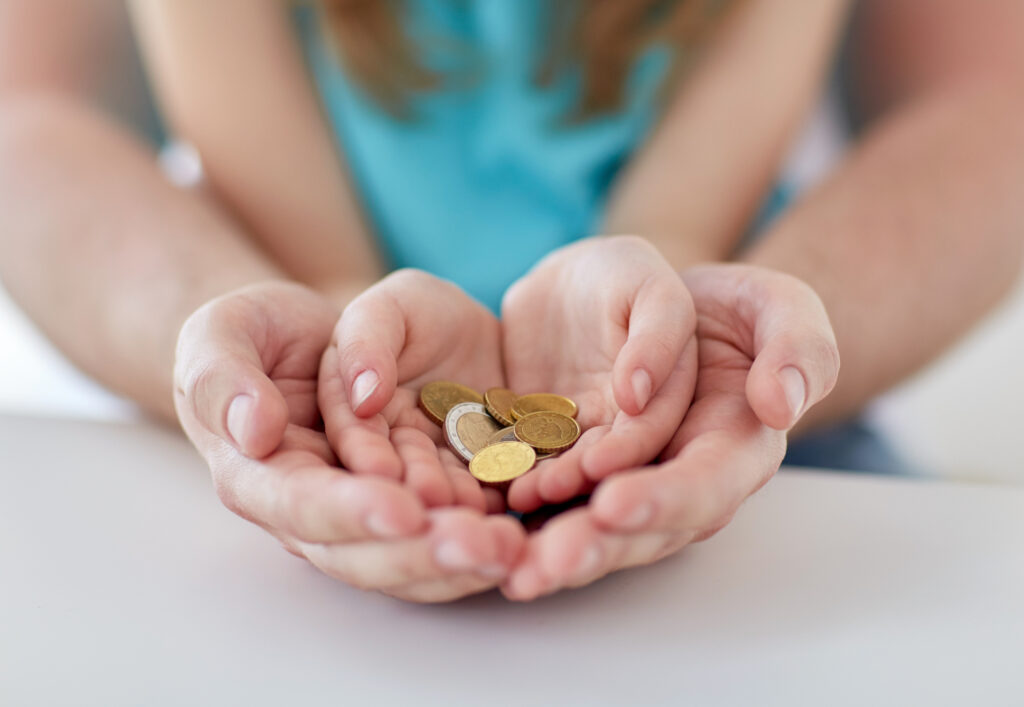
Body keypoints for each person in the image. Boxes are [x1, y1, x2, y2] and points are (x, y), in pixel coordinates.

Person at [1, 0, 1021, 602]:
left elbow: (992, 108)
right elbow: (25, 110)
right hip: (287, 399)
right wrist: (306, 315)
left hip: (736, 399)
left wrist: (686, 295)